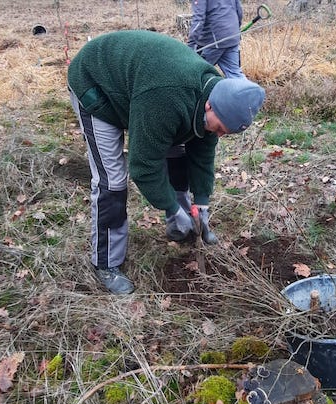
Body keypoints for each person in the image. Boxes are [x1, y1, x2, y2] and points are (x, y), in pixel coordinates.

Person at [67, 30, 265, 295]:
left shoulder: (215, 95)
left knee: (178, 156)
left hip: (142, 94)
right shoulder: (165, 97)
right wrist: (171, 206)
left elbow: (202, 154)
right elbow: (143, 165)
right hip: (97, 84)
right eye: (220, 128)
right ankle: (106, 264)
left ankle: (182, 227)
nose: (219, 135)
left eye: (225, 133)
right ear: (209, 106)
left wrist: (202, 202)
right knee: (112, 181)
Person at [187, 0, 245, 79]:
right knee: (234, 73)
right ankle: (250, 91)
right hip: (232, 36)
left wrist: (190, 44)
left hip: (215, 40)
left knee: (197, 72)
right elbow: (239, 11)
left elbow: (198, 20)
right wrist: (235, 29)